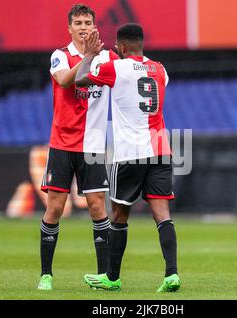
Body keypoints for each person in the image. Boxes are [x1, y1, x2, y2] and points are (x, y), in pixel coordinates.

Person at [75, 23, 181, 292]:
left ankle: (111, 278)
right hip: (160, 149)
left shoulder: (115, 68)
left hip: (130, 153)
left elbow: (80, 80)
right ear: (141, 44)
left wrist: (88, 54)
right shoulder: (160, 69)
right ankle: (171, 274)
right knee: (162, 214)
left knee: (119, 214)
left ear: (120, 47)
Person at [37, 4, 119, 291]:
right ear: (69, 28)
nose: (83, 27)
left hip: (93, 145)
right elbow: (64, 80)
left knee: (98, 207)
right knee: (55, 209)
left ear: (95, 27)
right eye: (78, 23)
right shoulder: (60, 56)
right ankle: (46, 274)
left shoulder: (108, 58)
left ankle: (104, 276)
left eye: (88, 22)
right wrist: (88, 57)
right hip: (61, 143)